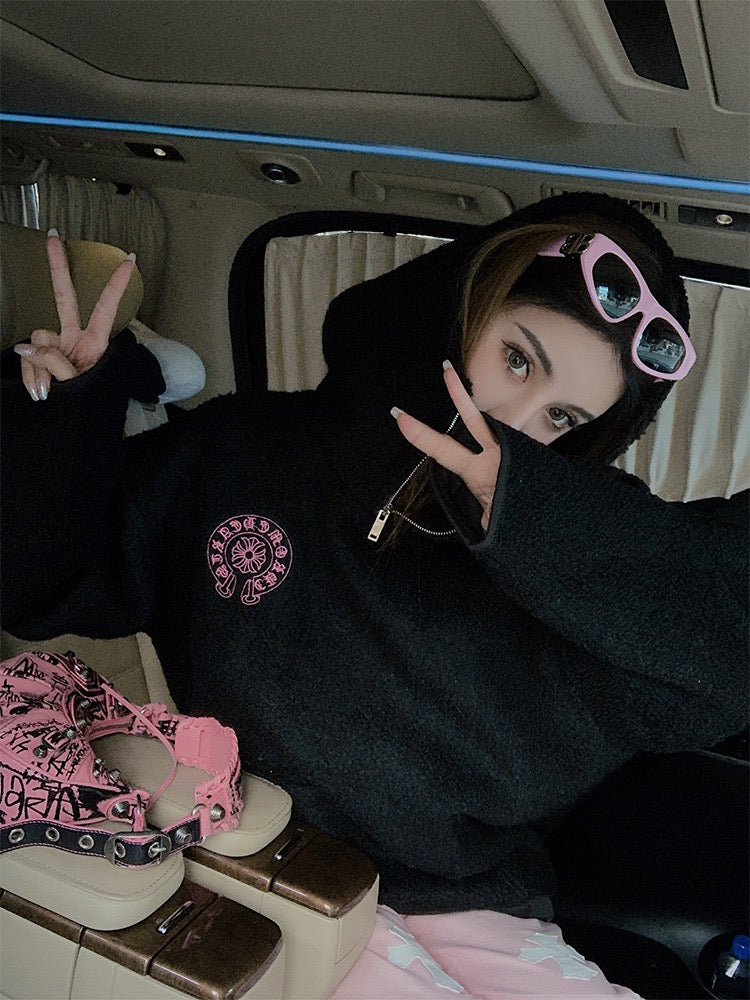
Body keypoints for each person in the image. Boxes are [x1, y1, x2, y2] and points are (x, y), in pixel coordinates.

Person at [2, 193, 747, 926]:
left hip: (473, 910)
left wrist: (541, 515)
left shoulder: (578, 567)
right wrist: (65, 421)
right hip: (260, 870)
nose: (514, 425)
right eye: (517, 360)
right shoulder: (240, 452)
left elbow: (727, 658)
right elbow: (41, 584)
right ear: (461, 308)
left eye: (561, 417)